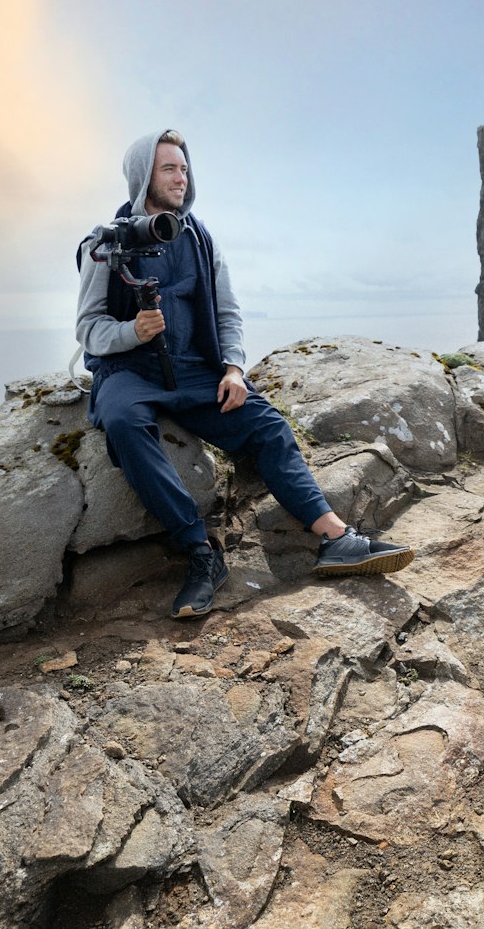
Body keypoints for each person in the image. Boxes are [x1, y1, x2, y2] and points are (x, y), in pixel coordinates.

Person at [76, 129, 414, 618]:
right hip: (129, 370)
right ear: (141, 175)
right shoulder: (105, 242)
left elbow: (228, 313)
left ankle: (337, 539)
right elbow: (88, 329)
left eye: (184, 168)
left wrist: (234, 368)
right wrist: (132, 331)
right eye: (167, 168)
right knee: (125, 425)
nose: (180, 177)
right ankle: (201, 553)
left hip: (197, 371)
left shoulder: (200, 237)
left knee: (267, 425)